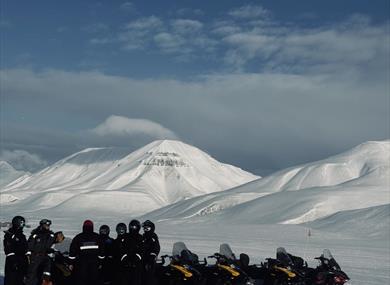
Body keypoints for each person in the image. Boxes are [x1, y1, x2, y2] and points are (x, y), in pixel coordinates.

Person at [69, 220, 104, 285]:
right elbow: (102, 252)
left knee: (82, 280)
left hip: (82, 264)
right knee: (94, 280)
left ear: (83, 227)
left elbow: (72, 252)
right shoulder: (97, 237)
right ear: (92, 227)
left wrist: (71, 263)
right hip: (94, 264)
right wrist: (100, 262)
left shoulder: (78, 237)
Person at [25, 219, 56, 285]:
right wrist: (29, 253)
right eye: (46, 225)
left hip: (45, 256)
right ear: (42, 225)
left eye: (48, 225)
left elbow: (50, 245)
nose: (47, 227)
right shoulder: (35, 234)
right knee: (32, 274)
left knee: (45, 274)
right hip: (35, 256)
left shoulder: (50, 235)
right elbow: (29, 245)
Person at [3, 216, 28, 285]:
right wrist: (13, 260)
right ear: (17, 223)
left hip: (22, 260)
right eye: (22, 223)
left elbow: (25, 246)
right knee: (12, 279)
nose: (23, 225)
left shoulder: (22, 235)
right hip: (13, 260)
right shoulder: (10, 234)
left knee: (21, 279)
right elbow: (8, 248)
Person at [141, 220, 160, 285]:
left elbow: (156, 248)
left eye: (147, 228)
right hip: (142, 259)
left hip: (149, 261)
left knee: (149, 276)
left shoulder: (152, 237)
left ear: (151, 228)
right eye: (144, 228)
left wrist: (152, 255)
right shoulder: (144, 236)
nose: (145, 229)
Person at [127, 220, 143, 285]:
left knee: (136, 280)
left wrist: (138, 257)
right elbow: (122, 248)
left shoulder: (141, 237)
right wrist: (124, 257)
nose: (133, 228)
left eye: (134, 227)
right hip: (126, 262)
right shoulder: (126, 236)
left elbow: (143, 249)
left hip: (137, 263)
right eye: (131, 227)